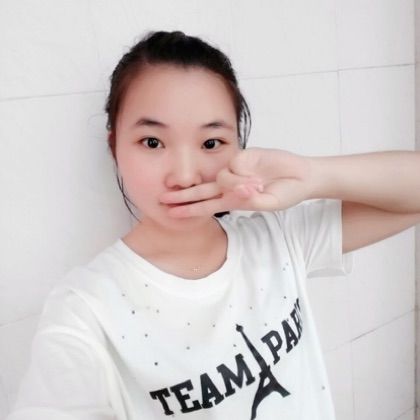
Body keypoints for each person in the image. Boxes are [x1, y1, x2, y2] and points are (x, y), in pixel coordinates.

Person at [6, 30, 420, 420]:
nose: (185, 176)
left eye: (211, 143)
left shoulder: (277, 237)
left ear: (239, 146)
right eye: (152, 142)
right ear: (114, 145)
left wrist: (310, 176)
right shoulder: (86, 312)